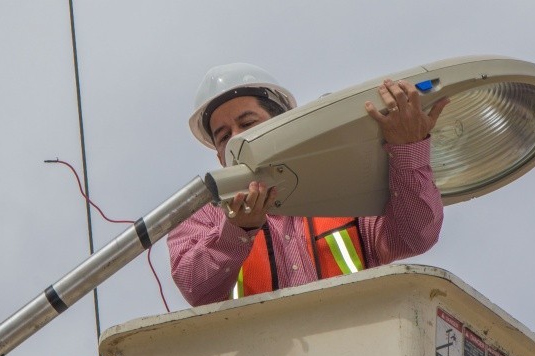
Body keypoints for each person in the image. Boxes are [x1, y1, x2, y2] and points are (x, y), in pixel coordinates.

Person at [167, 63, 449, 307]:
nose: (236, 139)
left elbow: (416, 235)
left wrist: (408, 149)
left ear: (282, 125)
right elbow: (195, 287)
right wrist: (238, 230)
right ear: (219, 155)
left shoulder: (344, 190)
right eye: (224, 135)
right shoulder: (203, 213)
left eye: (247, 123)